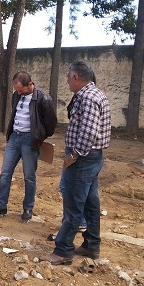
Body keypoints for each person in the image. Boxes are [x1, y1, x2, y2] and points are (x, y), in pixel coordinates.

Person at [39, 61, 111, 265]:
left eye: (69, 77)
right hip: (94, 157)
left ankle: (62, 251)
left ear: (76, 77)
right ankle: (91, 245)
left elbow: (89, 131)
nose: (67, 81)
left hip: (83, 158)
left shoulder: (87, 98)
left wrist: (74, 155)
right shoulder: (97, 94)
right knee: (90, 203)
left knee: (73, 206)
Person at [0, 72, 57, 221]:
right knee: (5, 173)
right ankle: (0, 206)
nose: (18, 93)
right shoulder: (17, 96)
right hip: (14, 138)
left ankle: (28, 209)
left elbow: (51, 124)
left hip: (30, 141)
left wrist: (38, 137)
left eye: (21, 90)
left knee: (29, 176)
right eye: (17, 90)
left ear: (30, 85)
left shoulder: (43, 99)